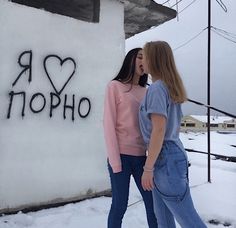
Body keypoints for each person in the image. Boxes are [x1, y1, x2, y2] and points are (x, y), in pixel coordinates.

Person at [139, 41, 207, 228]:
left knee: (188, 220)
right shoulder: (166, 87)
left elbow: (159, 130)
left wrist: (148, 168)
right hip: (170, 156)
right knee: (164, 222)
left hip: (165, 159)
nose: (141, 60)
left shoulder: (157, 89)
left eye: (143, 55)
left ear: (153, 58)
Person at [103, 48, 158, 228]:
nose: (143, 61)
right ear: (130, 60)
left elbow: (152, 127)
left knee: (153, 205)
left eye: (146, 58)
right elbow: (108, 125)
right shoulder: (115, 86)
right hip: (121, 157)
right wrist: (115, 162)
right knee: (119, 206)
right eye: (140, 56)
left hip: (143, 158)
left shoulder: (148, 91)